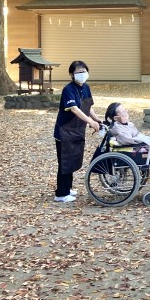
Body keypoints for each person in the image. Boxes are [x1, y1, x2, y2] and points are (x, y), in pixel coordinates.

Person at [53, 60, 102, 202]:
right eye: (78, 72)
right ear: (71, 74)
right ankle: (61, 194)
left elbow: (88, 106)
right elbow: (74, 109)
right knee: (65, 161)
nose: (82, 74)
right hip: (65, 131)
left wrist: (97, 119)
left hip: (77, 130)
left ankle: (67, 188)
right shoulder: (68, 89)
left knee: (73, 159)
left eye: (84, 71)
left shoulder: (86, 87)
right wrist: (90, 122)